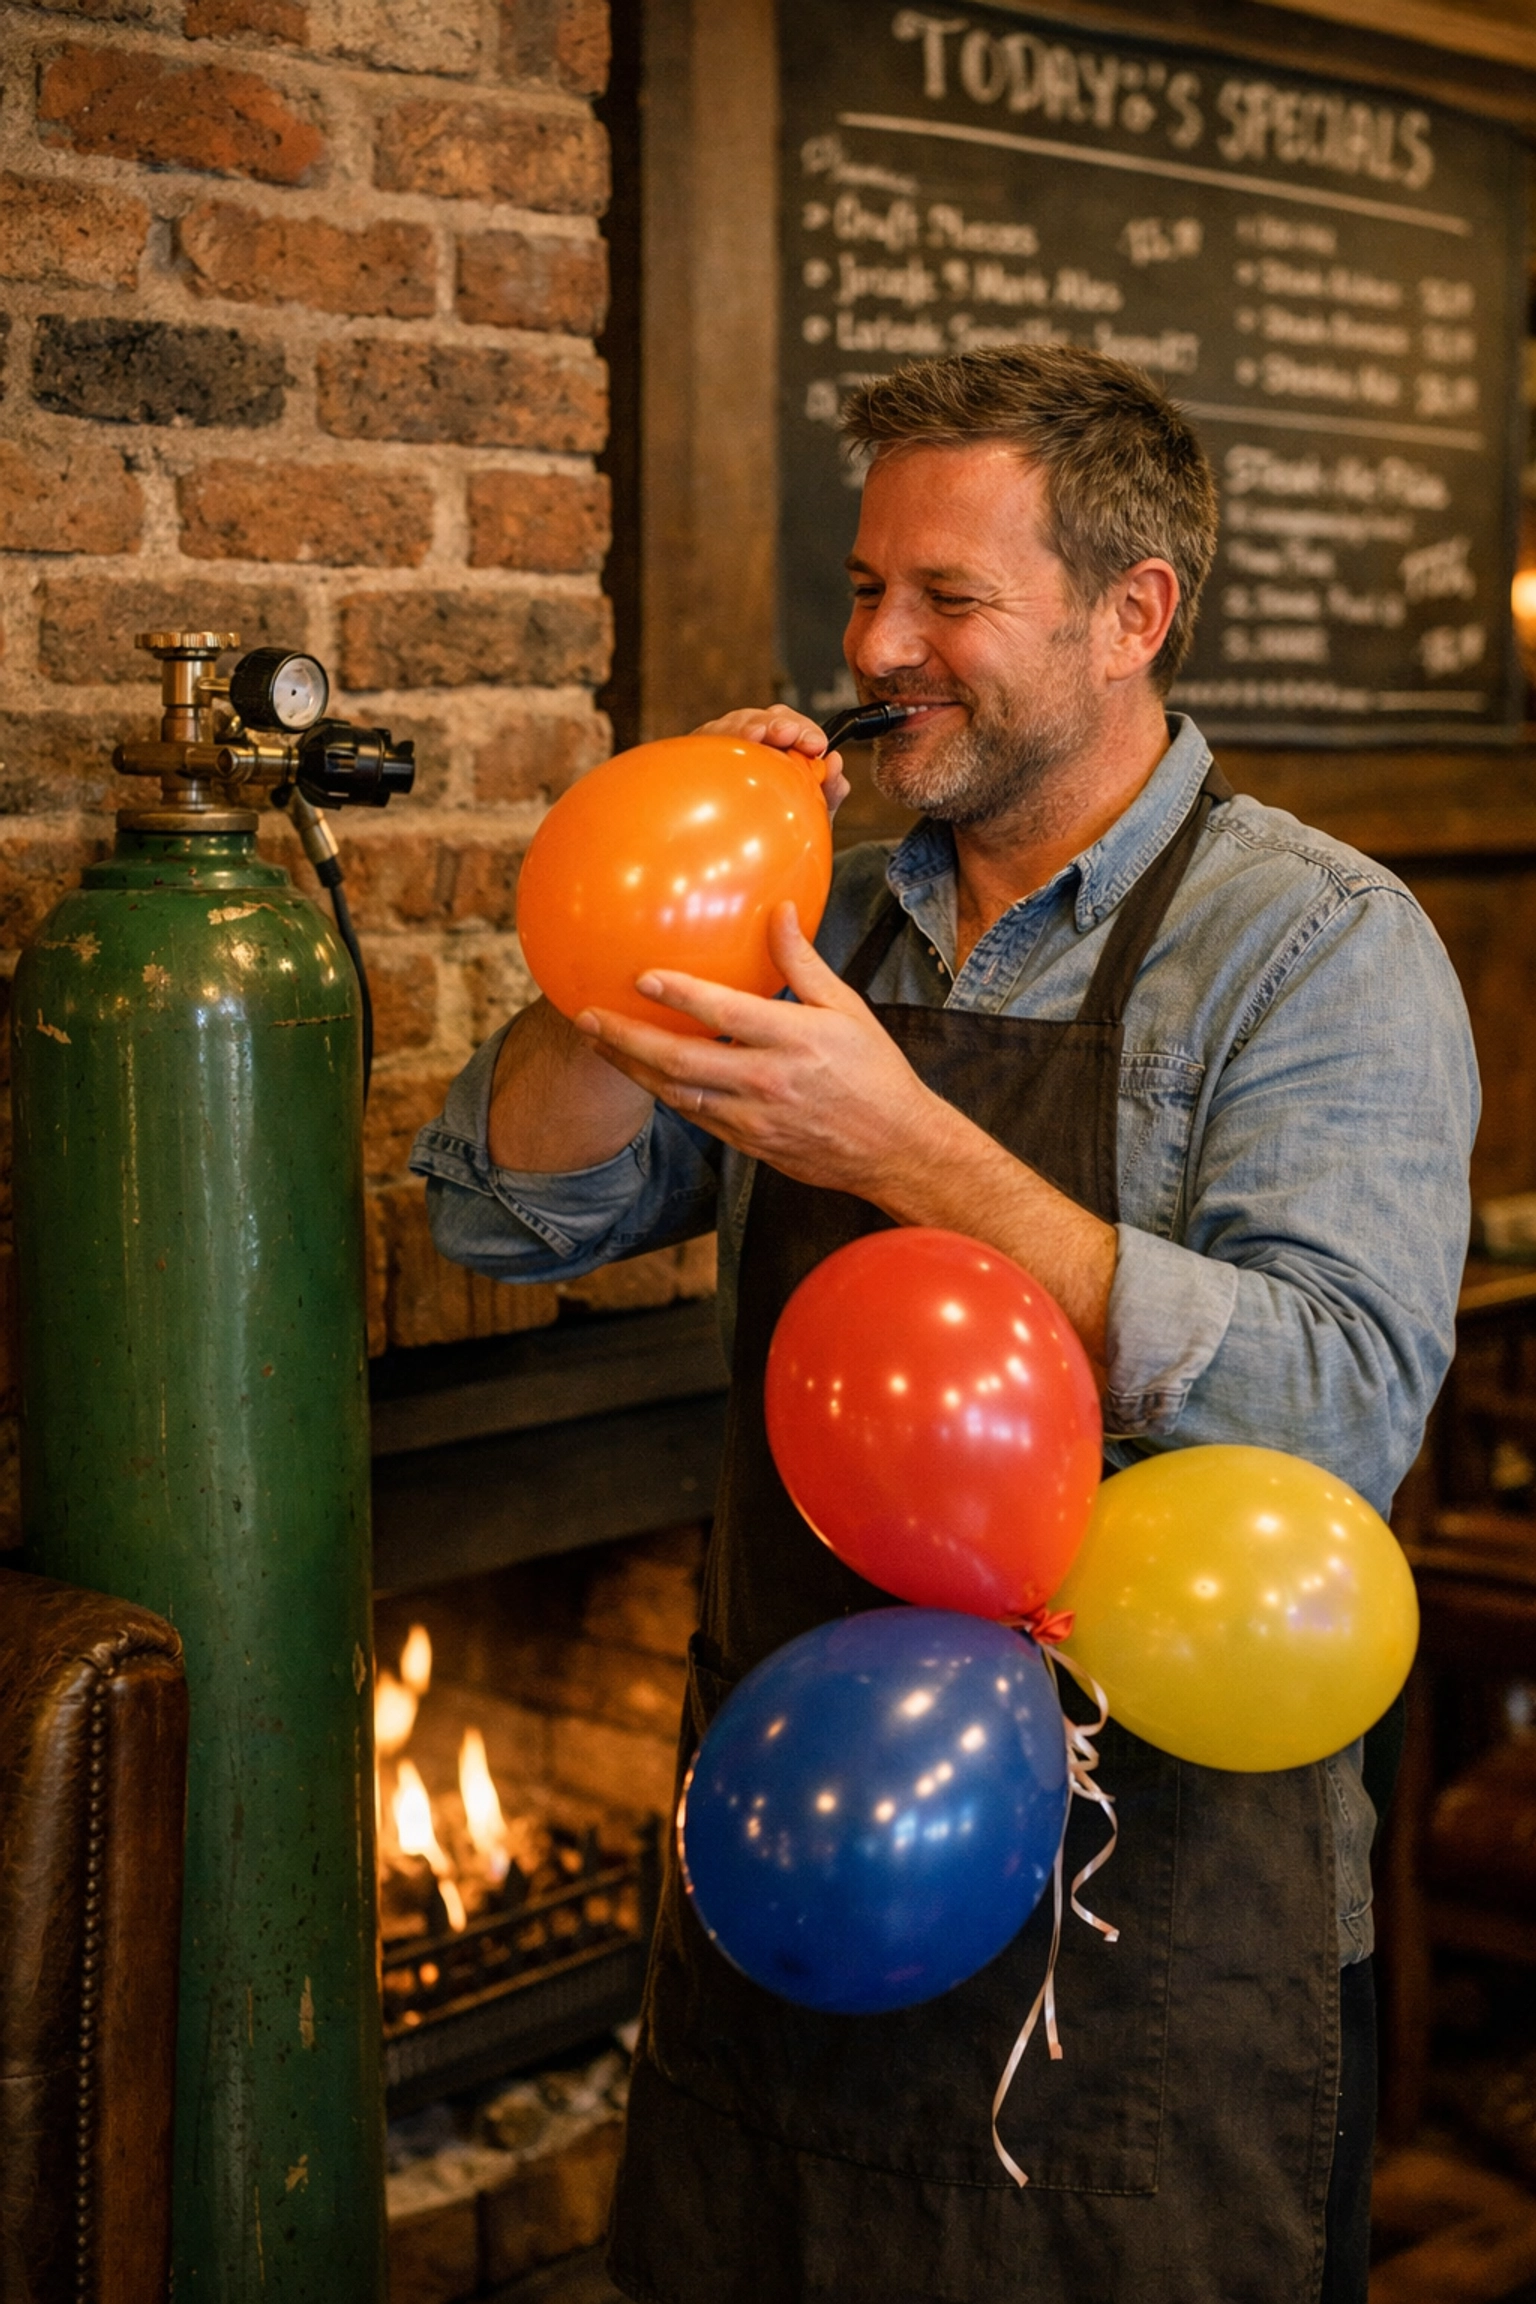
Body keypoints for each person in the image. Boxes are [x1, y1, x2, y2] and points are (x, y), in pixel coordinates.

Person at [411, 347, 1478, 2304]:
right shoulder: (839, 913)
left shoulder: (1318, 946)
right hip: (795, 1844)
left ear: (1132, 615)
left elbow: (1335, 1407)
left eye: (949, 600)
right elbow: (512, 1214)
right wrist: (639, 929)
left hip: (1140, 1923)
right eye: (865, 587)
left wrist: (909, 1147)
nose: (878, 643)